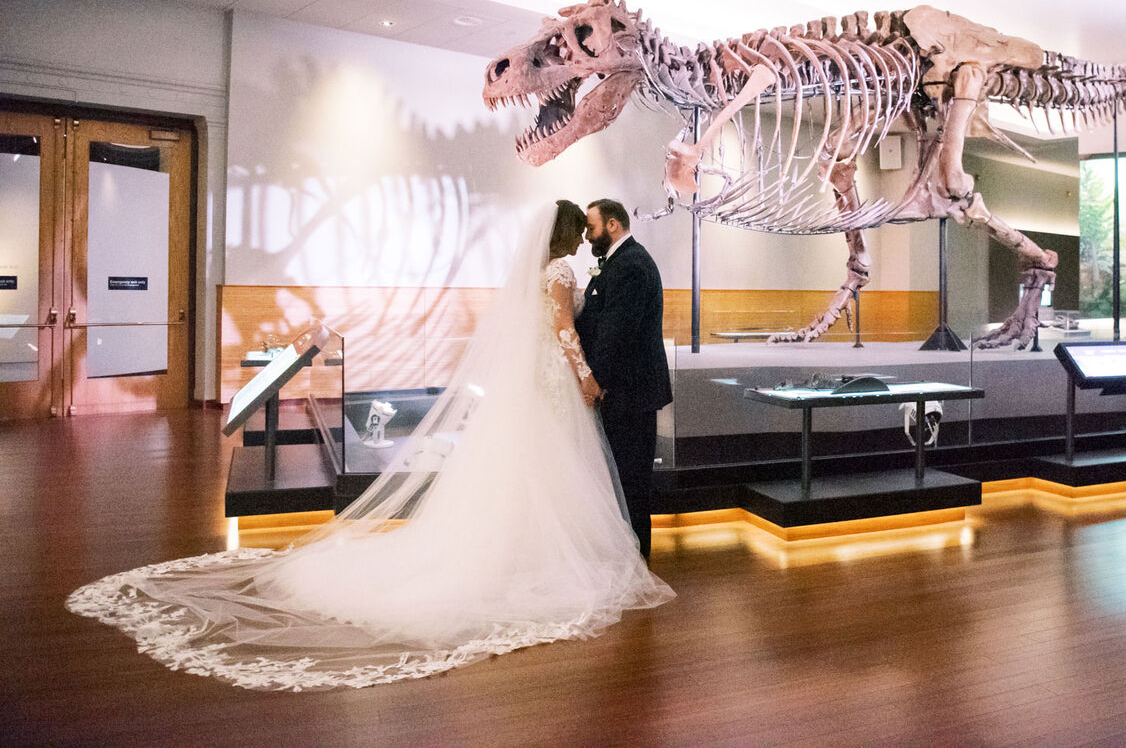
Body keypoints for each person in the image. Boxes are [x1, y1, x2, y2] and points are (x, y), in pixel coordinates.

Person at [66, 201, 673, 691]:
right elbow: (566, 330)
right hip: (555, 381)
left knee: (530, 469)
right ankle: (561, 555)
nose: (587, 234)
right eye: (583, 227)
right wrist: (586, 377)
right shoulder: (564, 271)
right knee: (551, 467)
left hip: (537, 383)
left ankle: (529, 550)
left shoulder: (555, 272)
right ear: (570, 234)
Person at [575, 199, 673, 558]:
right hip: (625, 391)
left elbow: (619, 332)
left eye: (591, 227)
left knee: (632, 480)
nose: (587, 235)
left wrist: (595, 379)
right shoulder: (618, 262)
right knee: (622, 476)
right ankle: (625, 554)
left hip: (630, 392)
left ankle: (636, 556)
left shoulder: (630, 264)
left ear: (612, 224)